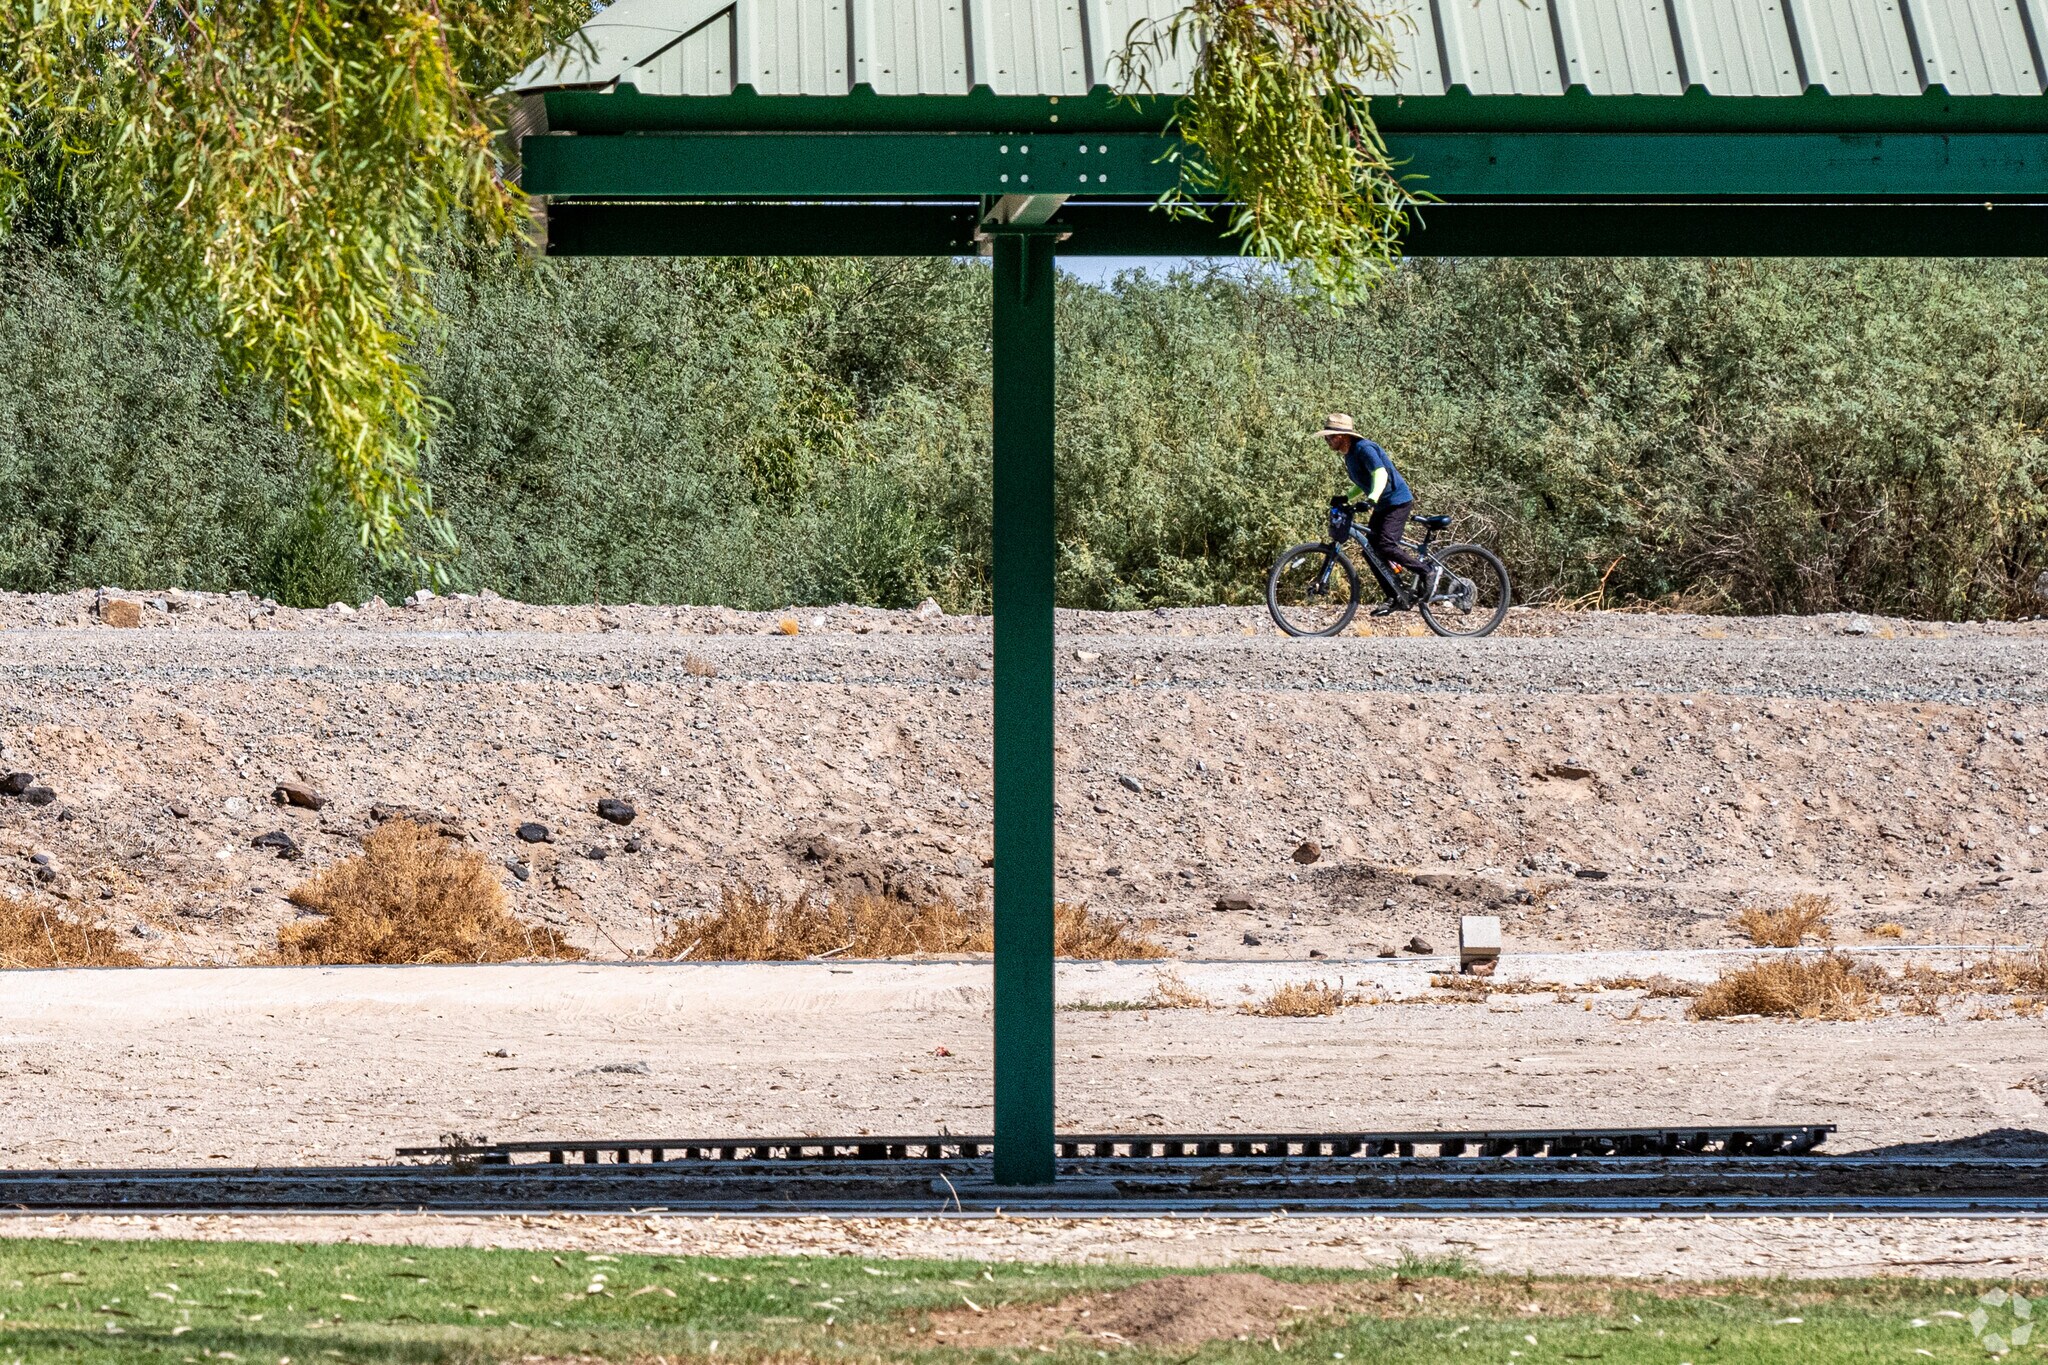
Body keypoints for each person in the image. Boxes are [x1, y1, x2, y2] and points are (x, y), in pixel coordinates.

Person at [1316, 413, 1440, 612]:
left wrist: (1372, 499)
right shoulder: (1349, 456)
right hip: (1383, 504)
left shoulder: (1364, 449)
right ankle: (1396, 596)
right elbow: (1363, 483)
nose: (1327, 440)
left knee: (1385, 545)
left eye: (1330, 436)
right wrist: (1347, 498)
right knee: (1371, 551)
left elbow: (1379, 474)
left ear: (1343, 435)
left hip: (1397, 502)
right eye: (1326, 436)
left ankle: (1426, 571)